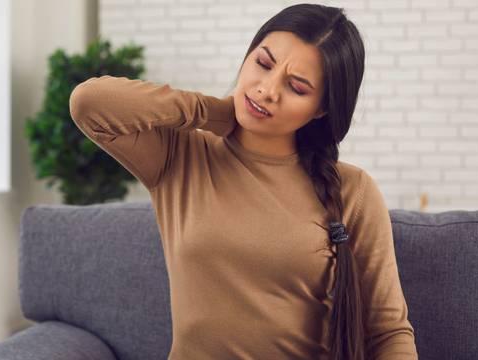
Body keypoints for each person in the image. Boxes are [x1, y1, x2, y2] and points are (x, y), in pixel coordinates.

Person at [69, 3, 418, 360]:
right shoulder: (180, 156)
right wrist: (215, 112)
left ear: (321, 109)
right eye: (263, 64)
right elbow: (89, 103)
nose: (267, 90)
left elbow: (388, 331)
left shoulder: (353, 191)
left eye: (296, 86)